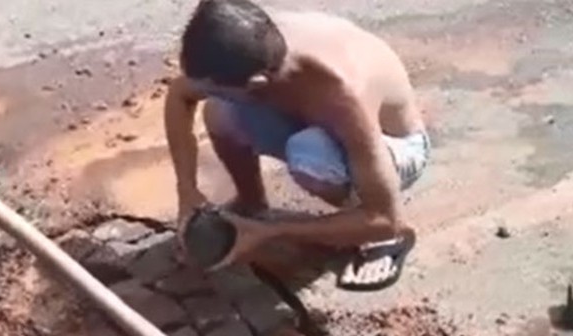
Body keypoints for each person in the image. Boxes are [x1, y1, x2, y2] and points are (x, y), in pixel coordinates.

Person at [164, 0, 431, 291]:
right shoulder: (248, 46)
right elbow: (180, 95)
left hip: (397, 145)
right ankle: (252, 204)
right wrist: (186, 191)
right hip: (307, 115)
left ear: (256, 84)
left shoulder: (340, 95)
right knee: (219, 112)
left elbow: (382, 218)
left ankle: (379, 240)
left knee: (312, 156)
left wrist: (271, 233)